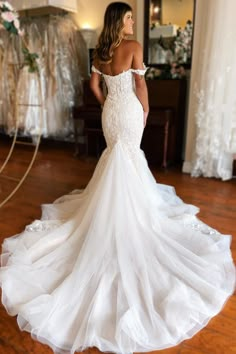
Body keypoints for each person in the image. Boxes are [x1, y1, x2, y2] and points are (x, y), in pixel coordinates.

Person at [0, 2, 235, 354]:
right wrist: (145, 109)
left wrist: (108, 100)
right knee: (129, 160)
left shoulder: (102, 50)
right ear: (120, 20)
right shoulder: (134, 47)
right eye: (128, 17)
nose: (131, 22)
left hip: (111, 111)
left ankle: (115, 213)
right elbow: (141, 85)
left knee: (116, 160)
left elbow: (94, 86)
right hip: (128, 111)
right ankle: (132, 217)